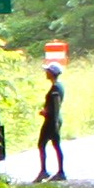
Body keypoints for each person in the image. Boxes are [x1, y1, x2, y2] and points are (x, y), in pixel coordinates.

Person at [32, 50, 68, 180]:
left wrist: (49, 116)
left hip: (52, 121)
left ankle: (53, 171)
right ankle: (55, 171)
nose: (45, 73)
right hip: (53, 120)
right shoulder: (58, 86)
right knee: (53, 145)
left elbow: (56, 106)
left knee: (44, 144)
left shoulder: (55, 89)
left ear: (51, 73)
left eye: (47, 71)